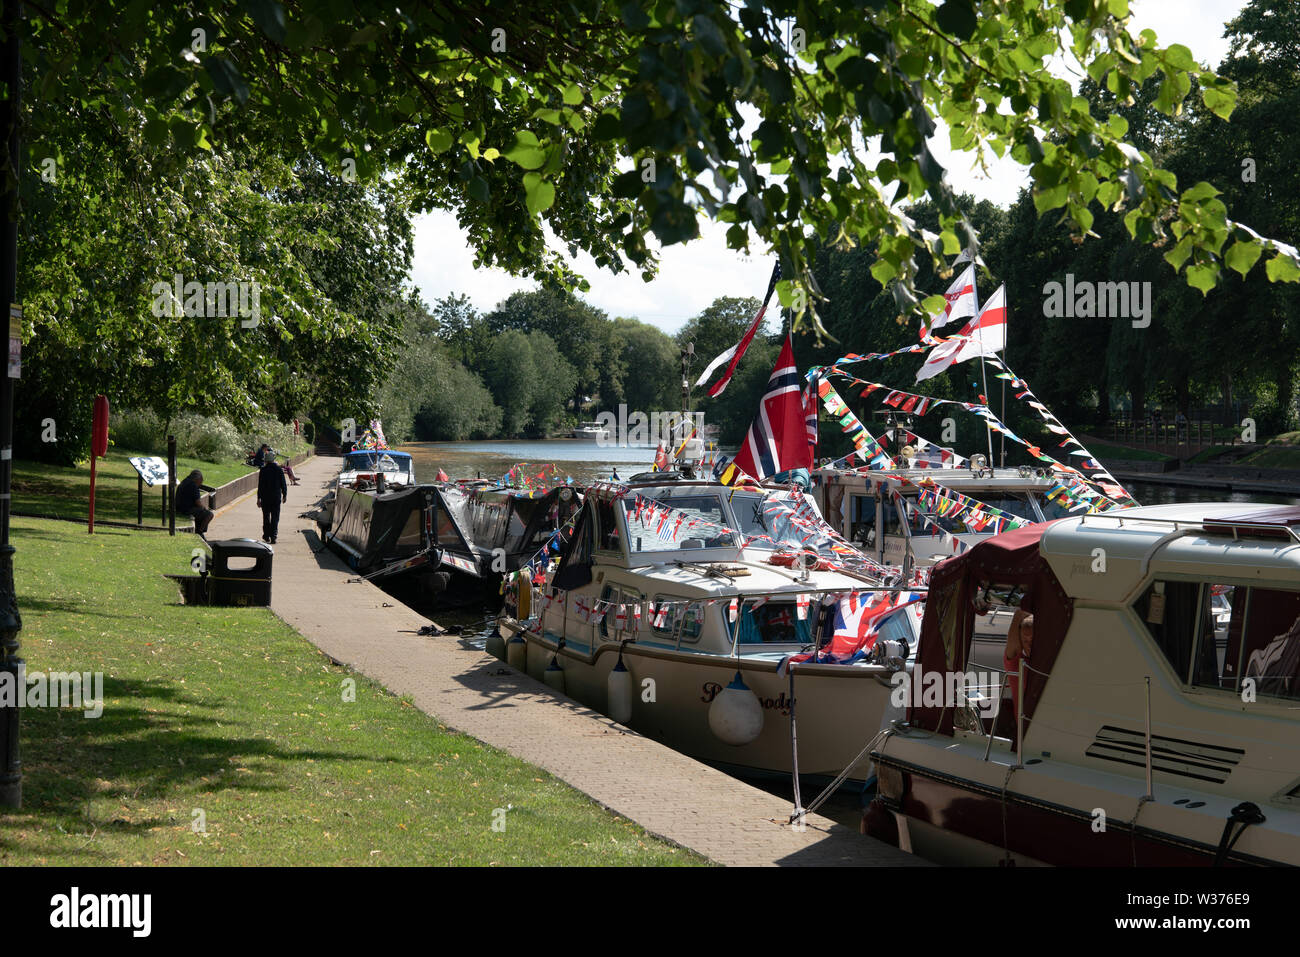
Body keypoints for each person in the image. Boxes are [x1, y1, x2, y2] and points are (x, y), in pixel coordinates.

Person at [257, 451, 289, 544]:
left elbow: (260, 485)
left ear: (266, 460)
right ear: (273, 459)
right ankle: (274, 536)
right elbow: (283, 483)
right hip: (276, 497)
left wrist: (258, 498)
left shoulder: (263, 470)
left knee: (266, 517)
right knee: (275, 517)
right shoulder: (278, 469)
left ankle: (266, 536)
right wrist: (285, 494)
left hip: (265, 498)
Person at [176, 469, 216, 535]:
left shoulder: (184, 481)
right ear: (197, 479)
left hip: (179, 507)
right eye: (201, 481)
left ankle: (200, 530)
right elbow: (198, 503)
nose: (201, 483)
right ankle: (199, 532)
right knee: (209, 514)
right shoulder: (193, 486)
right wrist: (204, 508)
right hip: (186, 509)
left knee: (201, 512)